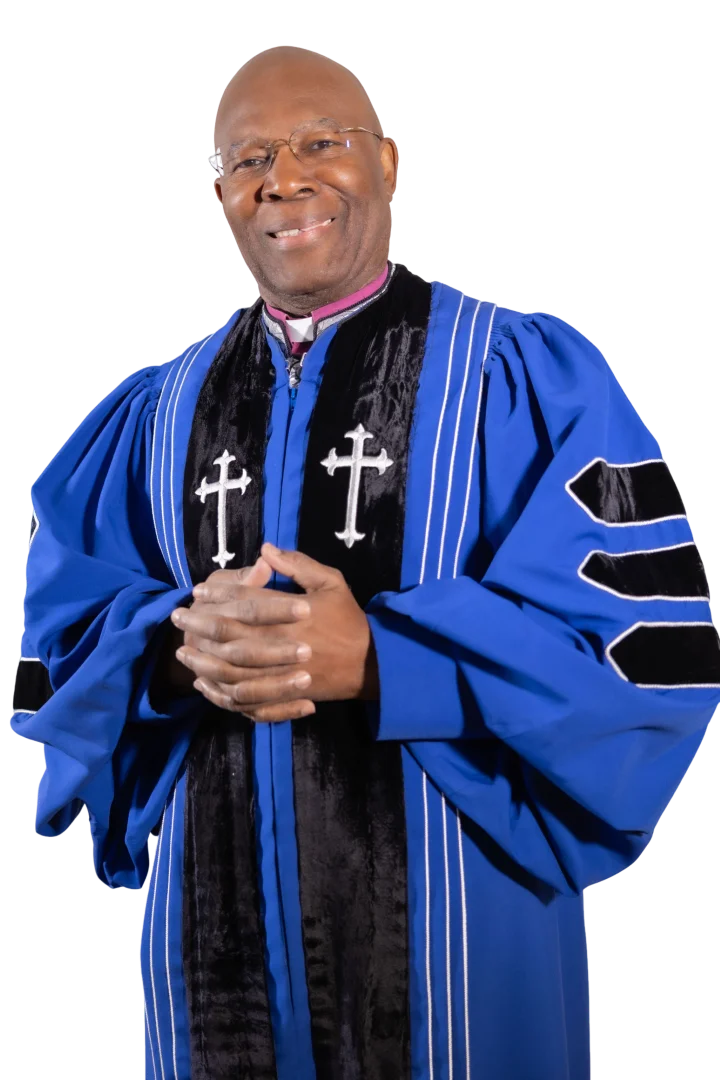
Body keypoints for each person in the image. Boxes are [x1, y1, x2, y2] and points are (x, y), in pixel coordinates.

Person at [11, 45, 719, 1080]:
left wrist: (385, 660)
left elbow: (634, 660)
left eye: (320, 142)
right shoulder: (151, 415)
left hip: (465, 943)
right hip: (215, 956)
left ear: (387, 162)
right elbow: (59, 643)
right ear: (219, 194)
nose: (284, 179)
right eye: (250, 158)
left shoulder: (527, 376)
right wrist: (175, 653)